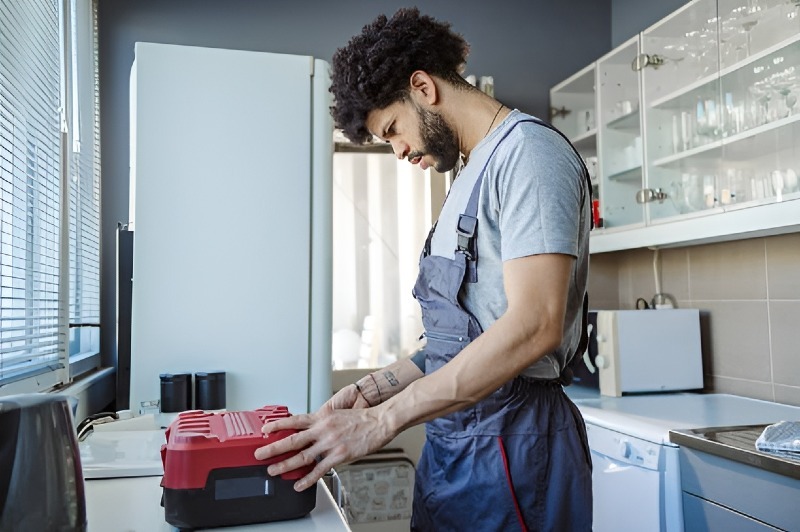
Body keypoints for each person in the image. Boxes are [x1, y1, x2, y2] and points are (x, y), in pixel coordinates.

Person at [255, 7, 593, 531]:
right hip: (456, 445)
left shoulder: (527, 156)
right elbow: (460, 339)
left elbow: (535, 324)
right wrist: (373, 390)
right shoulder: (466, 175)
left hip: (516, 447)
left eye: (392, 130)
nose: (398, 151)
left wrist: (383, 421)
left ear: (422, 87)